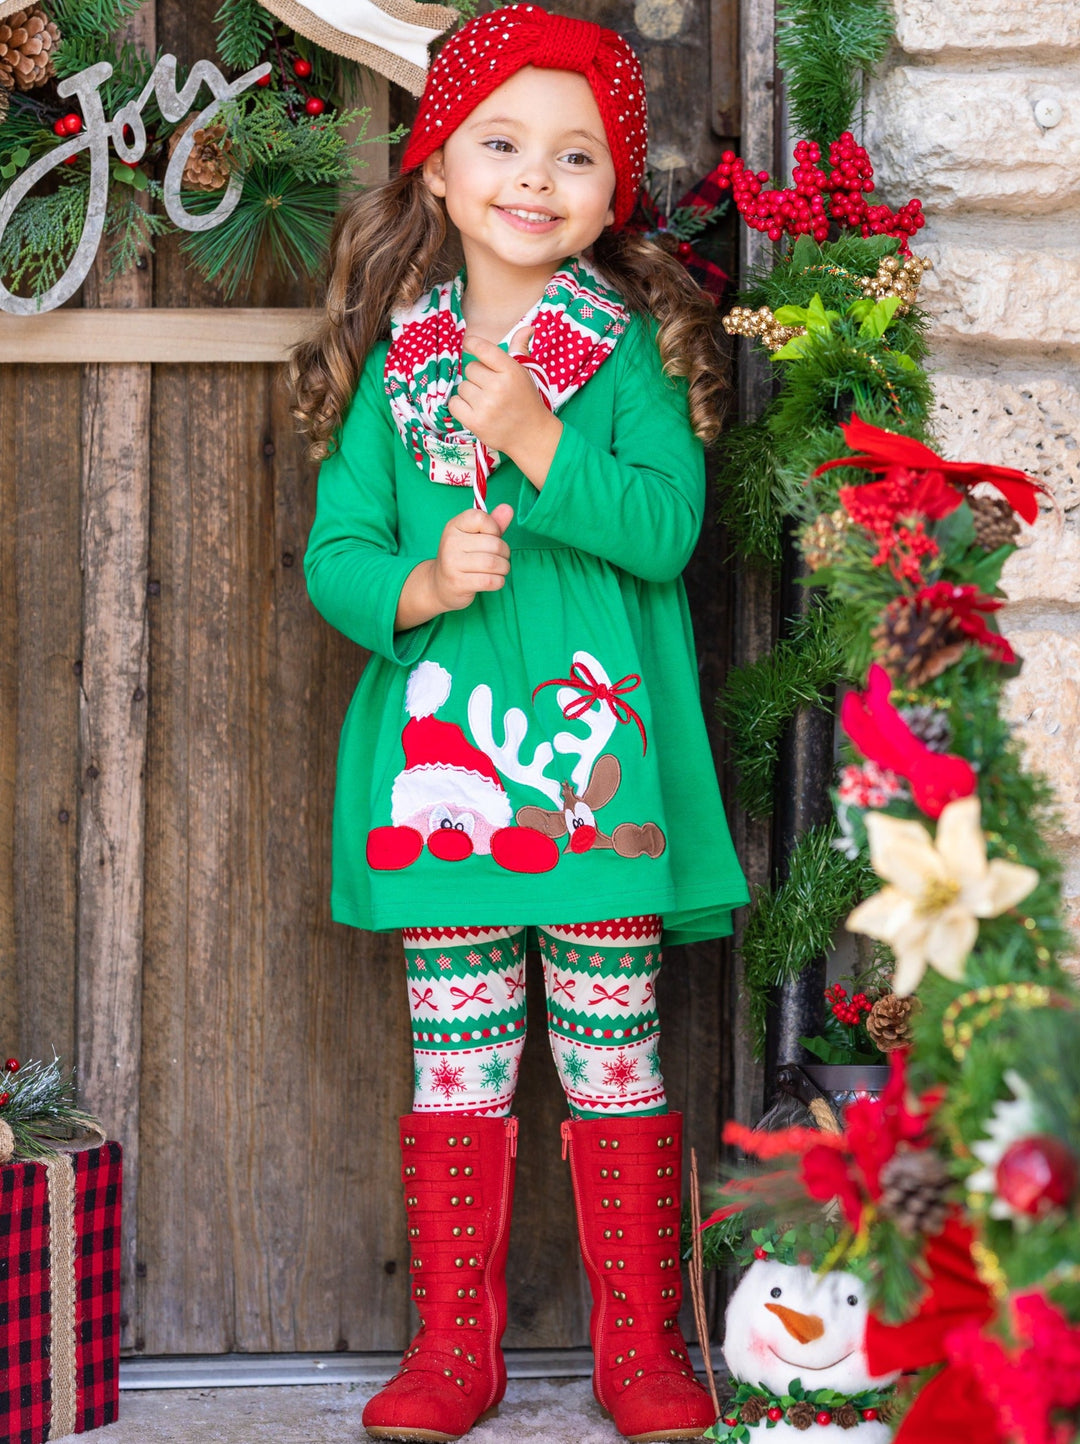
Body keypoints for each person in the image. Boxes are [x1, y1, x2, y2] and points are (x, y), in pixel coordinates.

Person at [291, 7, 748, 1440]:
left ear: (612, 198)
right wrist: (423, 582)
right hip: (446, 780)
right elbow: (338, 552)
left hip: (596, 775)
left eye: (576, 155)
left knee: (615, 1055)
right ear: (436, 169)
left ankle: (643, 1347)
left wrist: (539, 439)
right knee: (459, 1066)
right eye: (500, 143)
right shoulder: (398, 363)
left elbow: (667, 530)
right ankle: (454, 1351)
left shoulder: (629, 354)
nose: (536, 177)